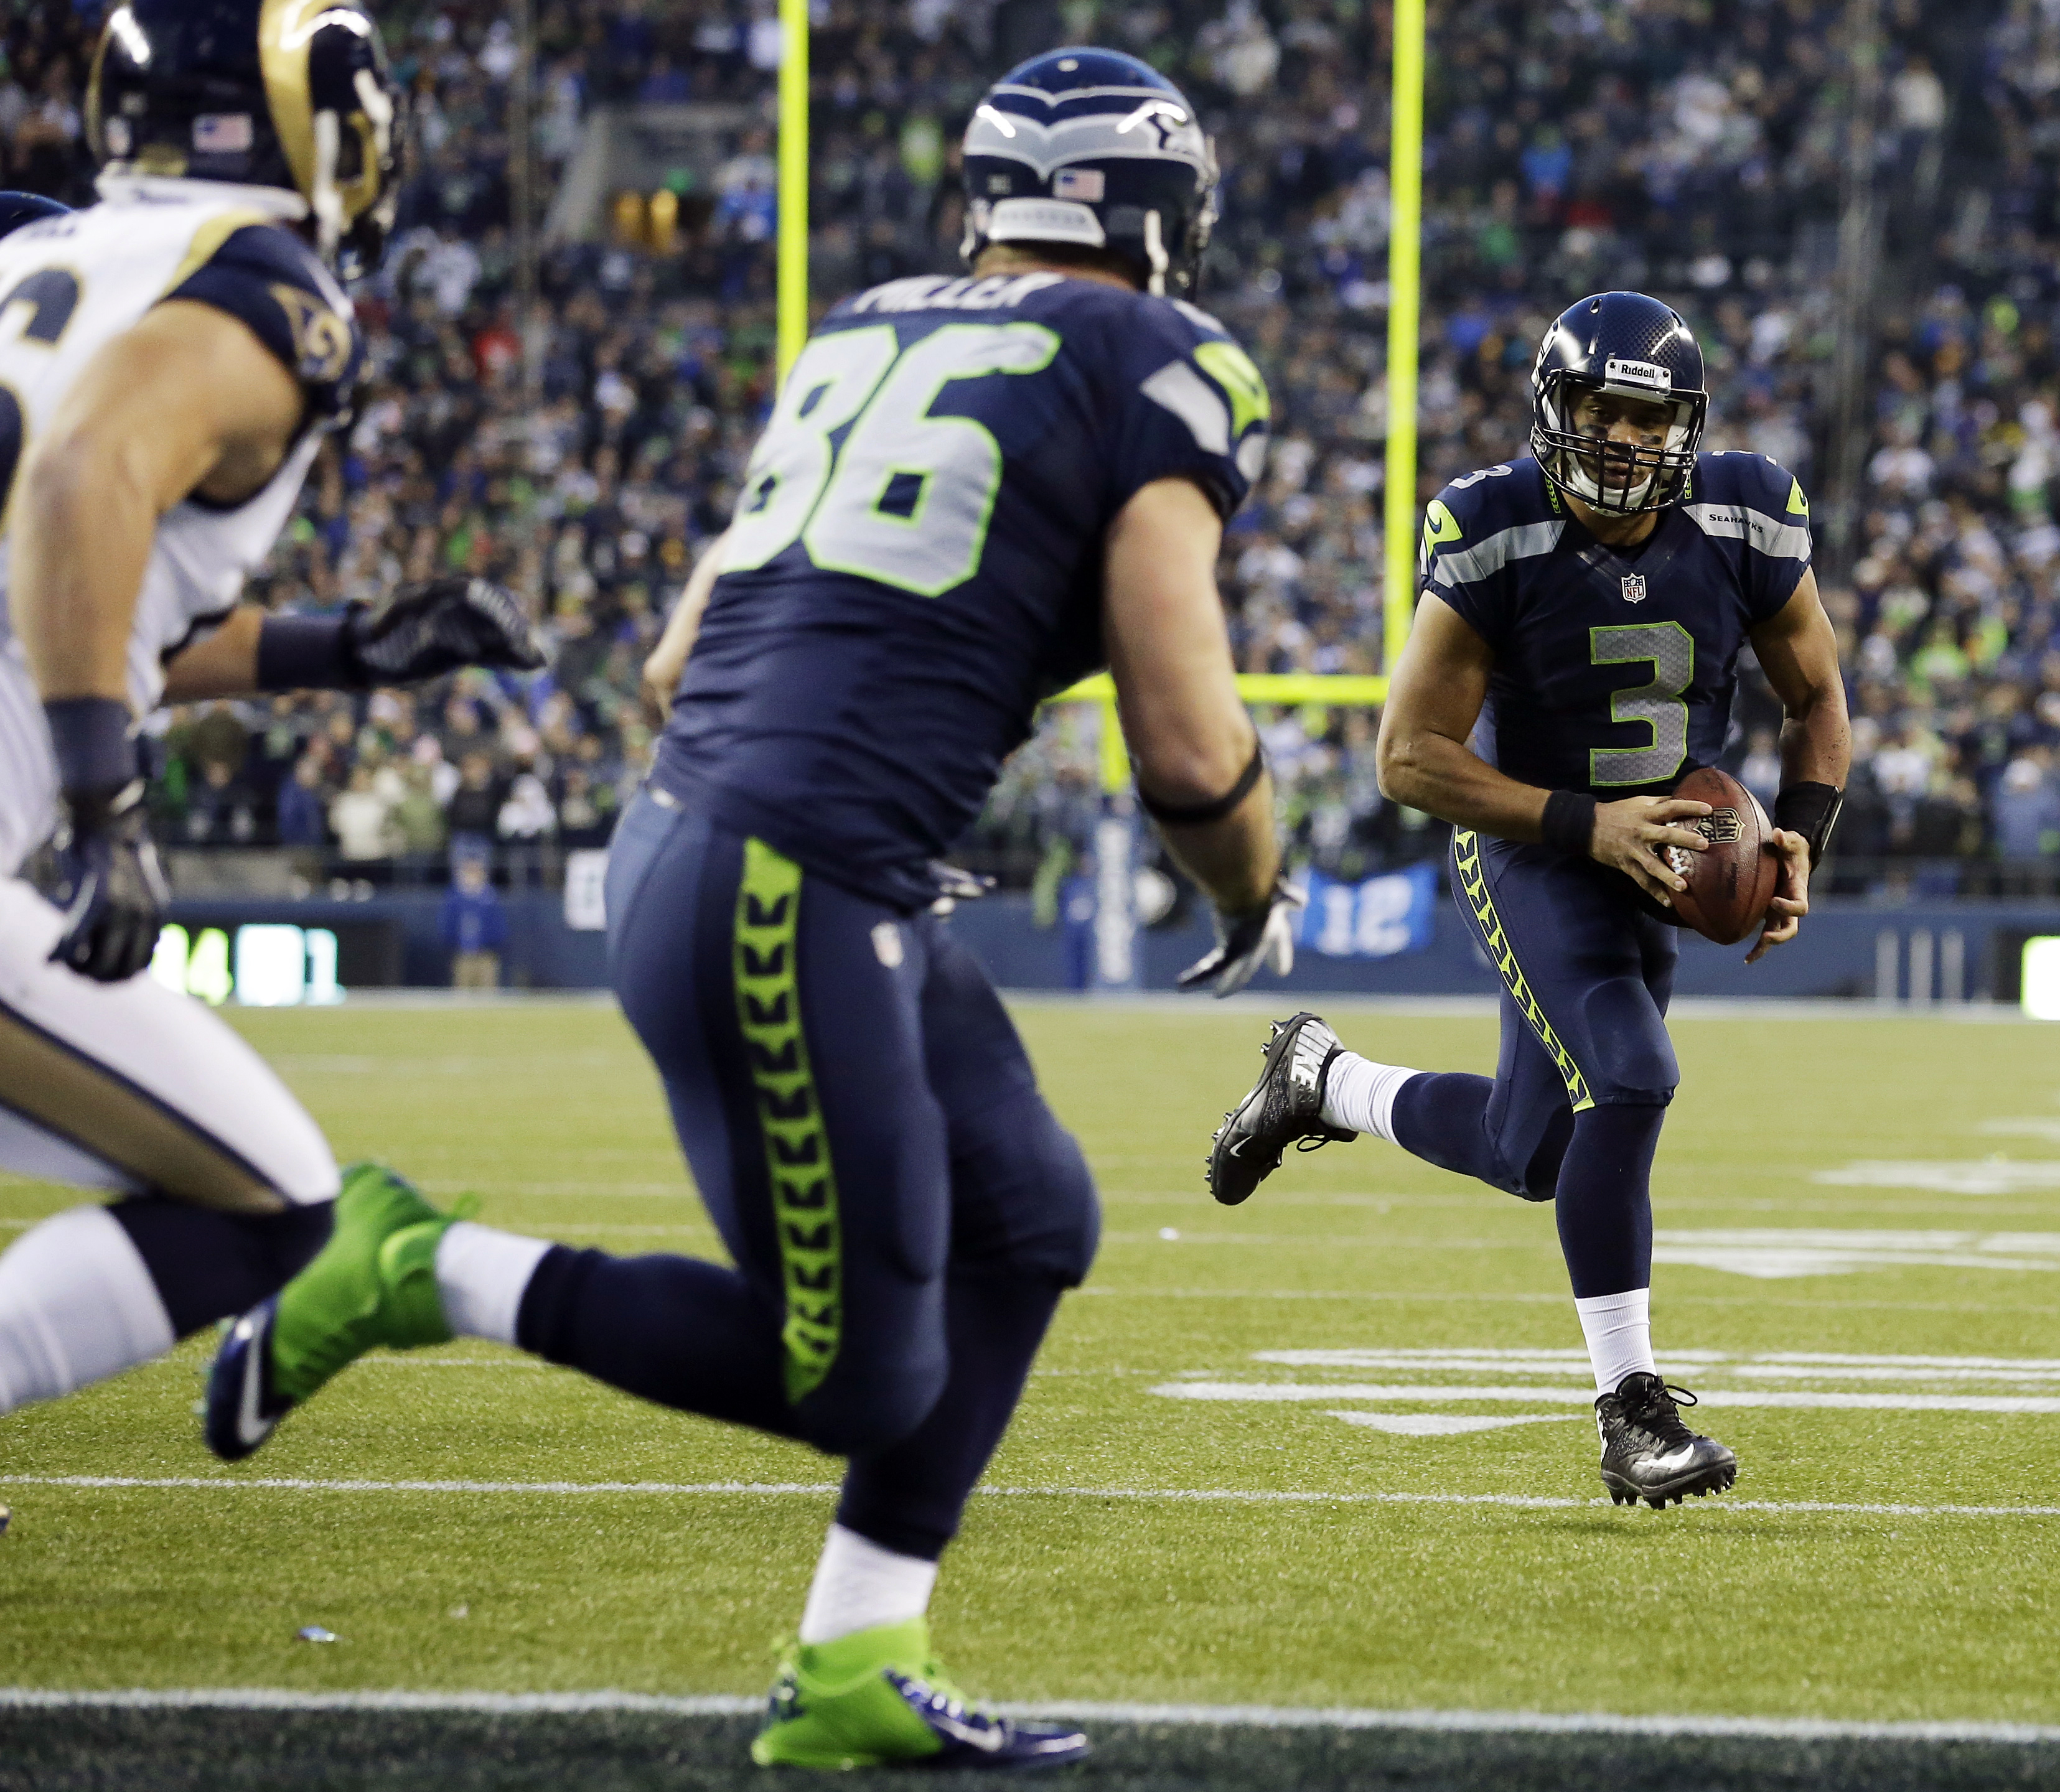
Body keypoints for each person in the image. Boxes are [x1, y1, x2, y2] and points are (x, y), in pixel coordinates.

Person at [206, 47, 1293, 1773]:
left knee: (1032, 1221)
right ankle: (416, 1265)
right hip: (798, 880)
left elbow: (668, 663)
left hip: (740, 852)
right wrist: (1253, 884)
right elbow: (1184, 736)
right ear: (1158, 219)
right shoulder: (1161, 356)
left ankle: (854, 1661)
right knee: (853, 1371)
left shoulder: (865, 326)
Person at [1206, 292, 1850, 1510]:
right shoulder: (1493, 526)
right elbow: (1404, 757)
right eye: (1598, 410)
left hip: (1661, 844)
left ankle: (1320, 1081)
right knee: (1629, 1074)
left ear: (1685, 424)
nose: (1619, 438)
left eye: (1644, 415)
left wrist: (1799, 835)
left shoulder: (1744, 513)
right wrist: (1579, 822)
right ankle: (1632, 1413)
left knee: (1533, 1152)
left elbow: (1813, 694)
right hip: (1528, 837)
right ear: (1553, 411)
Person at [0, 6, 540, 1422]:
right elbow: (77, 489)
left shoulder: (38, 250)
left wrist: (349, 647)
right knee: (274, 1201)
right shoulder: (259, 283)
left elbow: (92, 599)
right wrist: (100, 804)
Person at [441, 856, 508, 988]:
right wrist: (453, 945)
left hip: (486, 955)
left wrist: (492, 945)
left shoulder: (490, 899)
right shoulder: (455, 899)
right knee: (462, 992)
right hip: (463, 954)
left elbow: (499, 927)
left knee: (487, 992)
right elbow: (447, 925)